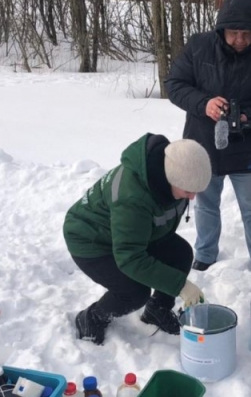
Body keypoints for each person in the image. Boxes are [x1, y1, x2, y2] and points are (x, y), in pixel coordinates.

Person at [166, 0, 251, 278]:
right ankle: (205, 255)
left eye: (247, 34)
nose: (239, 40)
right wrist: (204, 104)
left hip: (248, 150)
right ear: (222, 28)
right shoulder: (198, 47)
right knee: (206, 205)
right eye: (234, 33)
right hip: (203, 146)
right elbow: (174, 84)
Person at [63, 134, 211, 345]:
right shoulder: (133, 198)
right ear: (171, 179)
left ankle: (157, 309)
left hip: (132, 232)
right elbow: (130, 258)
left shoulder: (171, 175)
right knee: (134, 292)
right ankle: (93, 316)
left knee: (180, 254)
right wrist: (180, 286)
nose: (192, 197)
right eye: (188, 191)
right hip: (91, 239)